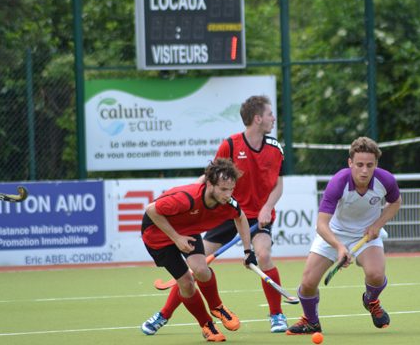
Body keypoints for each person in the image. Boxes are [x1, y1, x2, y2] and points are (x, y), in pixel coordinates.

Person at [142, 95, 289, 334]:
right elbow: (212, 176)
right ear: (258, 118)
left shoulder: (275, 148)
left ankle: (277, 315)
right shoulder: (230, 144)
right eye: (270, 114)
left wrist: (265, 208)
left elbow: (278, 185)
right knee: (195, 268)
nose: (274, 118)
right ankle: (164, 314)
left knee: (263, 254)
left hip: (256, 217)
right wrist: (193, 194)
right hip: (225, 211)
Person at [286, 136, 402, 335]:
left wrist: (377, 224)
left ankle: (371, 301)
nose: (364, 170)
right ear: (350, 163)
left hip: (367, 234)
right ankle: (311, 322)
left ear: (376, 164)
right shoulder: (339, 182)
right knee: (307, 284)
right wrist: (340, 247)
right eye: (359, 165)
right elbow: (321, 224)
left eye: (369, 165)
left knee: (376, 274)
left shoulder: (386, 180)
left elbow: (396, 203)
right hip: (334, 233)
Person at [141, 158, 257, 342]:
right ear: (210, 184)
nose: (228, 194)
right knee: (186, 283)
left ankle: (217, 306)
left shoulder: (228, 203)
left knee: (201, 270)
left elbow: (240, 218)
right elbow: (151, 210)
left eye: (231, 189)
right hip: (158, 235)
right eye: (223, 189)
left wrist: (247, 250)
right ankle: (206, 324)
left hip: (188, 230)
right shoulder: (186, 199)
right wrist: (176, 238)